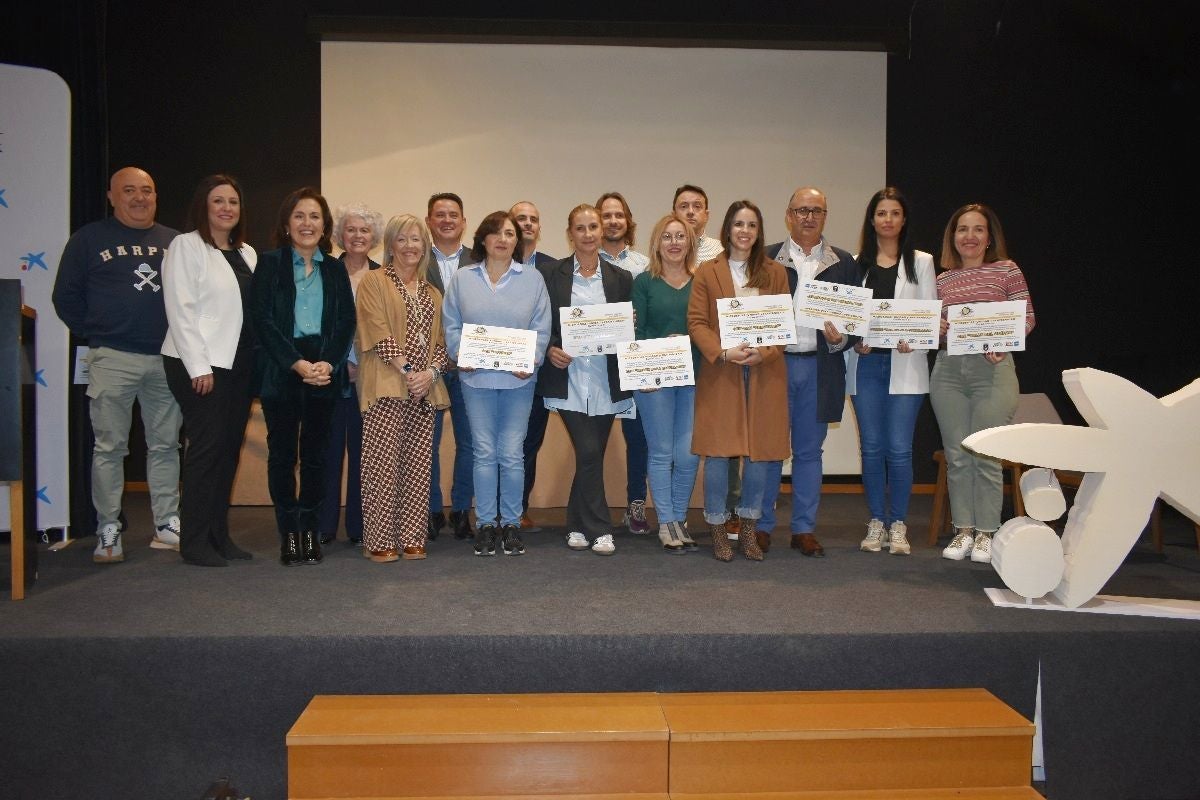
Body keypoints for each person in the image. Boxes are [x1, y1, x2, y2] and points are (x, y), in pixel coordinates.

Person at [52, 166, 182, 563]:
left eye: (147, 190)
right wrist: (99, 331)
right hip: (112, 358)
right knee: (110, 447)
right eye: (129, 190)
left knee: (166, 445)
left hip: (167, 358)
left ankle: (167, 521)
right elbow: (65, 297)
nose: (140, 198)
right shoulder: (88, 239)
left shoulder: (175, 242)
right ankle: (109, 528)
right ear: (112, 196)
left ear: (156, 196)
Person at [251, 187, 355, 566]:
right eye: (299, 216)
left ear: (324, 225)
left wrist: (328, 362)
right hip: (284, 369)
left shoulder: (334, 268)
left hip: (324, 373)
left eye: (314, 217)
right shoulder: (270, 263)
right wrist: (296, 363)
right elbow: (261, 320)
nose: (307, 223)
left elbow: (346, 320)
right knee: (282, 456)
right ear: (286, 223)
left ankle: (309, 531)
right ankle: (289, 533)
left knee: (316, 457)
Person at [160, 174, 258, 567]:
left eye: (233, 202)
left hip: (237, 366)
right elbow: (180, 310)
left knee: (228, 452)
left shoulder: (247, 253)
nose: (226, 208)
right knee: (206, 450)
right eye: (218, 201)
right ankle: (194, 541)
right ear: (204, 205)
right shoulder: (186, 246)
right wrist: (198, 366)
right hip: (198, 365)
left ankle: (219, 535)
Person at [931, 203, 1035, 564]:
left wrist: (1004, 341)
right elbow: (935, 330)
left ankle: (988, 533)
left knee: (986, 455)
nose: (969, 236)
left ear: (989, 237)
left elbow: (1027, 317)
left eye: (977, 229)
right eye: (962, 229)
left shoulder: (1006, 270)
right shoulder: (942, 279)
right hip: (948, 371)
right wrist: (937, 328)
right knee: (958, 456)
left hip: (992, 371)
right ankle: (963, 531)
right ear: (953, 236)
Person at [759, 187, 860, 557]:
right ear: (789, 215)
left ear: (825, 216)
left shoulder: (844, 262)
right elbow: (750, 311)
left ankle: (803, 528)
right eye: (802, 210)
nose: (809, 216)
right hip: (775, 366)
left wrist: (840, 338)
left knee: (808, 452)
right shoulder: (768, 257)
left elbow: (856, 323)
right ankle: (762, 525)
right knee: (769, 450)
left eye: (816, 210)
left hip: (819, 368)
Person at [686, 200, 790, 561]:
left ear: (758, 232)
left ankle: (748, 529)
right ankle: (717, 529)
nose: (744, 231)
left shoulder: (775, 272)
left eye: (751, 225)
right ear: (727, 230)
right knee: (718, 454)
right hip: (722, 371)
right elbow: (697, 322)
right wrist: (722, 352)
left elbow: (782, 324)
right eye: (738, 224)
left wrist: (767, 352)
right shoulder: (707, 272)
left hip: (764, 372)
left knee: (760, 455)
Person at [444, 211, 551, 556]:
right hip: (476, 379)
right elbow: (451, 325)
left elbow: (542, 327)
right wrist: (463, 354)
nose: (503, 239)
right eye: (497, 232)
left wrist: (530, 359)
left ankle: (512, 524)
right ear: (483, 239)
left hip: (519, 381)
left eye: (510, 233)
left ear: (517, 242)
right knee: (485, 453)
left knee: (512, 454)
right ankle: (487, 523)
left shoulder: (532, 279)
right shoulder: (462, 279)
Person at [845, 188, 937, 557]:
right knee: (871, 448)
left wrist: (914, 340)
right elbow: (849, 316)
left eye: (894, 213)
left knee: (899, 449)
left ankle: (898, 523)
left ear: (903, 220)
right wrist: (855, 341)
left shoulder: (923, 262)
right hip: (866, 364)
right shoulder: (856, 263)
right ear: (872, 220)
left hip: (906, 365)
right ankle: (876, 521)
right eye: (881, 213)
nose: (887, 220)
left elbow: (928, 318)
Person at [538, 204, 634, 556]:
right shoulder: (550, 274)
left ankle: (576, 524)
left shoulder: (621, 278)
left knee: (589, 456)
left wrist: (630, 323)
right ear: (570, 233)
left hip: (606, 380)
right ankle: (600, 528)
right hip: (569, 380)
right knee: (590, 450)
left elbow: (625, 331)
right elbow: (539, 321)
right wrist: (550, 348)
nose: (589, 233)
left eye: (593, 226)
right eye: (581, 228)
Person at [355, 214, 450, 562]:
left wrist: (431, 373)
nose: (410, 246)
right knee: (381, 465)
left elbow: (440, 342)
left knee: (418, 464)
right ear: (390, 245)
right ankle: (379, 539)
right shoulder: (374, 281)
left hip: (424, 389)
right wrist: (410, 371)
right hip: (386, 384)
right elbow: (377, 330)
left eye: (416, 240)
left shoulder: (432, 292)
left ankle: (411, 535)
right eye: (403, 239)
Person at [632, 214, 700, 553]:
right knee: (661, 452)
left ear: (690, 242)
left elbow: (708, 331)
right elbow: (637, 332)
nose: (674, 243)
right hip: (653, 381)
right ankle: (667, 522)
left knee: (687, 456)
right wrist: (644, 373)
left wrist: (685, 340)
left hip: (694, 379)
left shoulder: (701, 282)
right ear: (657, 243)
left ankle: (678, 517)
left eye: (680, 237)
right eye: (667, 237)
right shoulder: (644, 283)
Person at [318, 202, 383, 546]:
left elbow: (386, 328)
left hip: (369, 380)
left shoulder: (383, 276)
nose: (358, 236)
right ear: (340, 234)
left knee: (365, 455)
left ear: (374, 237)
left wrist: (366, 365)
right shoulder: (325, 271)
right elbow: (318, 323)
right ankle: (324, 525)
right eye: (351, 229)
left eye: (364, 230)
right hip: (330, 376)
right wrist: (341, 361)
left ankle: (360, 527)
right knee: (328, 452)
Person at [597, 191, 652, 537]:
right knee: (593, 442)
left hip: (635, 361)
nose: (613, 221)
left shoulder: (645, 265)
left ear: (628, 222)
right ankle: (591, 510)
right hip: (595, 363)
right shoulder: (582, 264)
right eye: (606, 215)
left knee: (639, 439)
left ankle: (635, 504)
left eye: (619, 215)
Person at [424, 192, 477, 542]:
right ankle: (429, 510)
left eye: (453, 215)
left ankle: (460, 510)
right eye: (439, 214)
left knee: (470, 443)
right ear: (429, 221)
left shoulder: (479, 259)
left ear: (463, 222)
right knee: (426, 441)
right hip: (428, 366)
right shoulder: (413, 257)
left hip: (470, 366)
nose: (446, 220)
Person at [509, 200, 555, 532]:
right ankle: (493, 508)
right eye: (520, 219)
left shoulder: (554, 269)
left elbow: (561, 320)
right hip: (495, 370)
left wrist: (548, 348)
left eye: (533, 219)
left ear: (539, 227)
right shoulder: (490, 266)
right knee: (496, 443)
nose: (527, 224)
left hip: (539, 371)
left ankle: (519, 507)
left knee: (529, 442)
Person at [673, 184, 723, 263]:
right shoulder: (664, 251)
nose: (690, 212)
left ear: (706, 215)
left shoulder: (721, 251)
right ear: (674, 215)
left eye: (697, 206)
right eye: (683, 206)